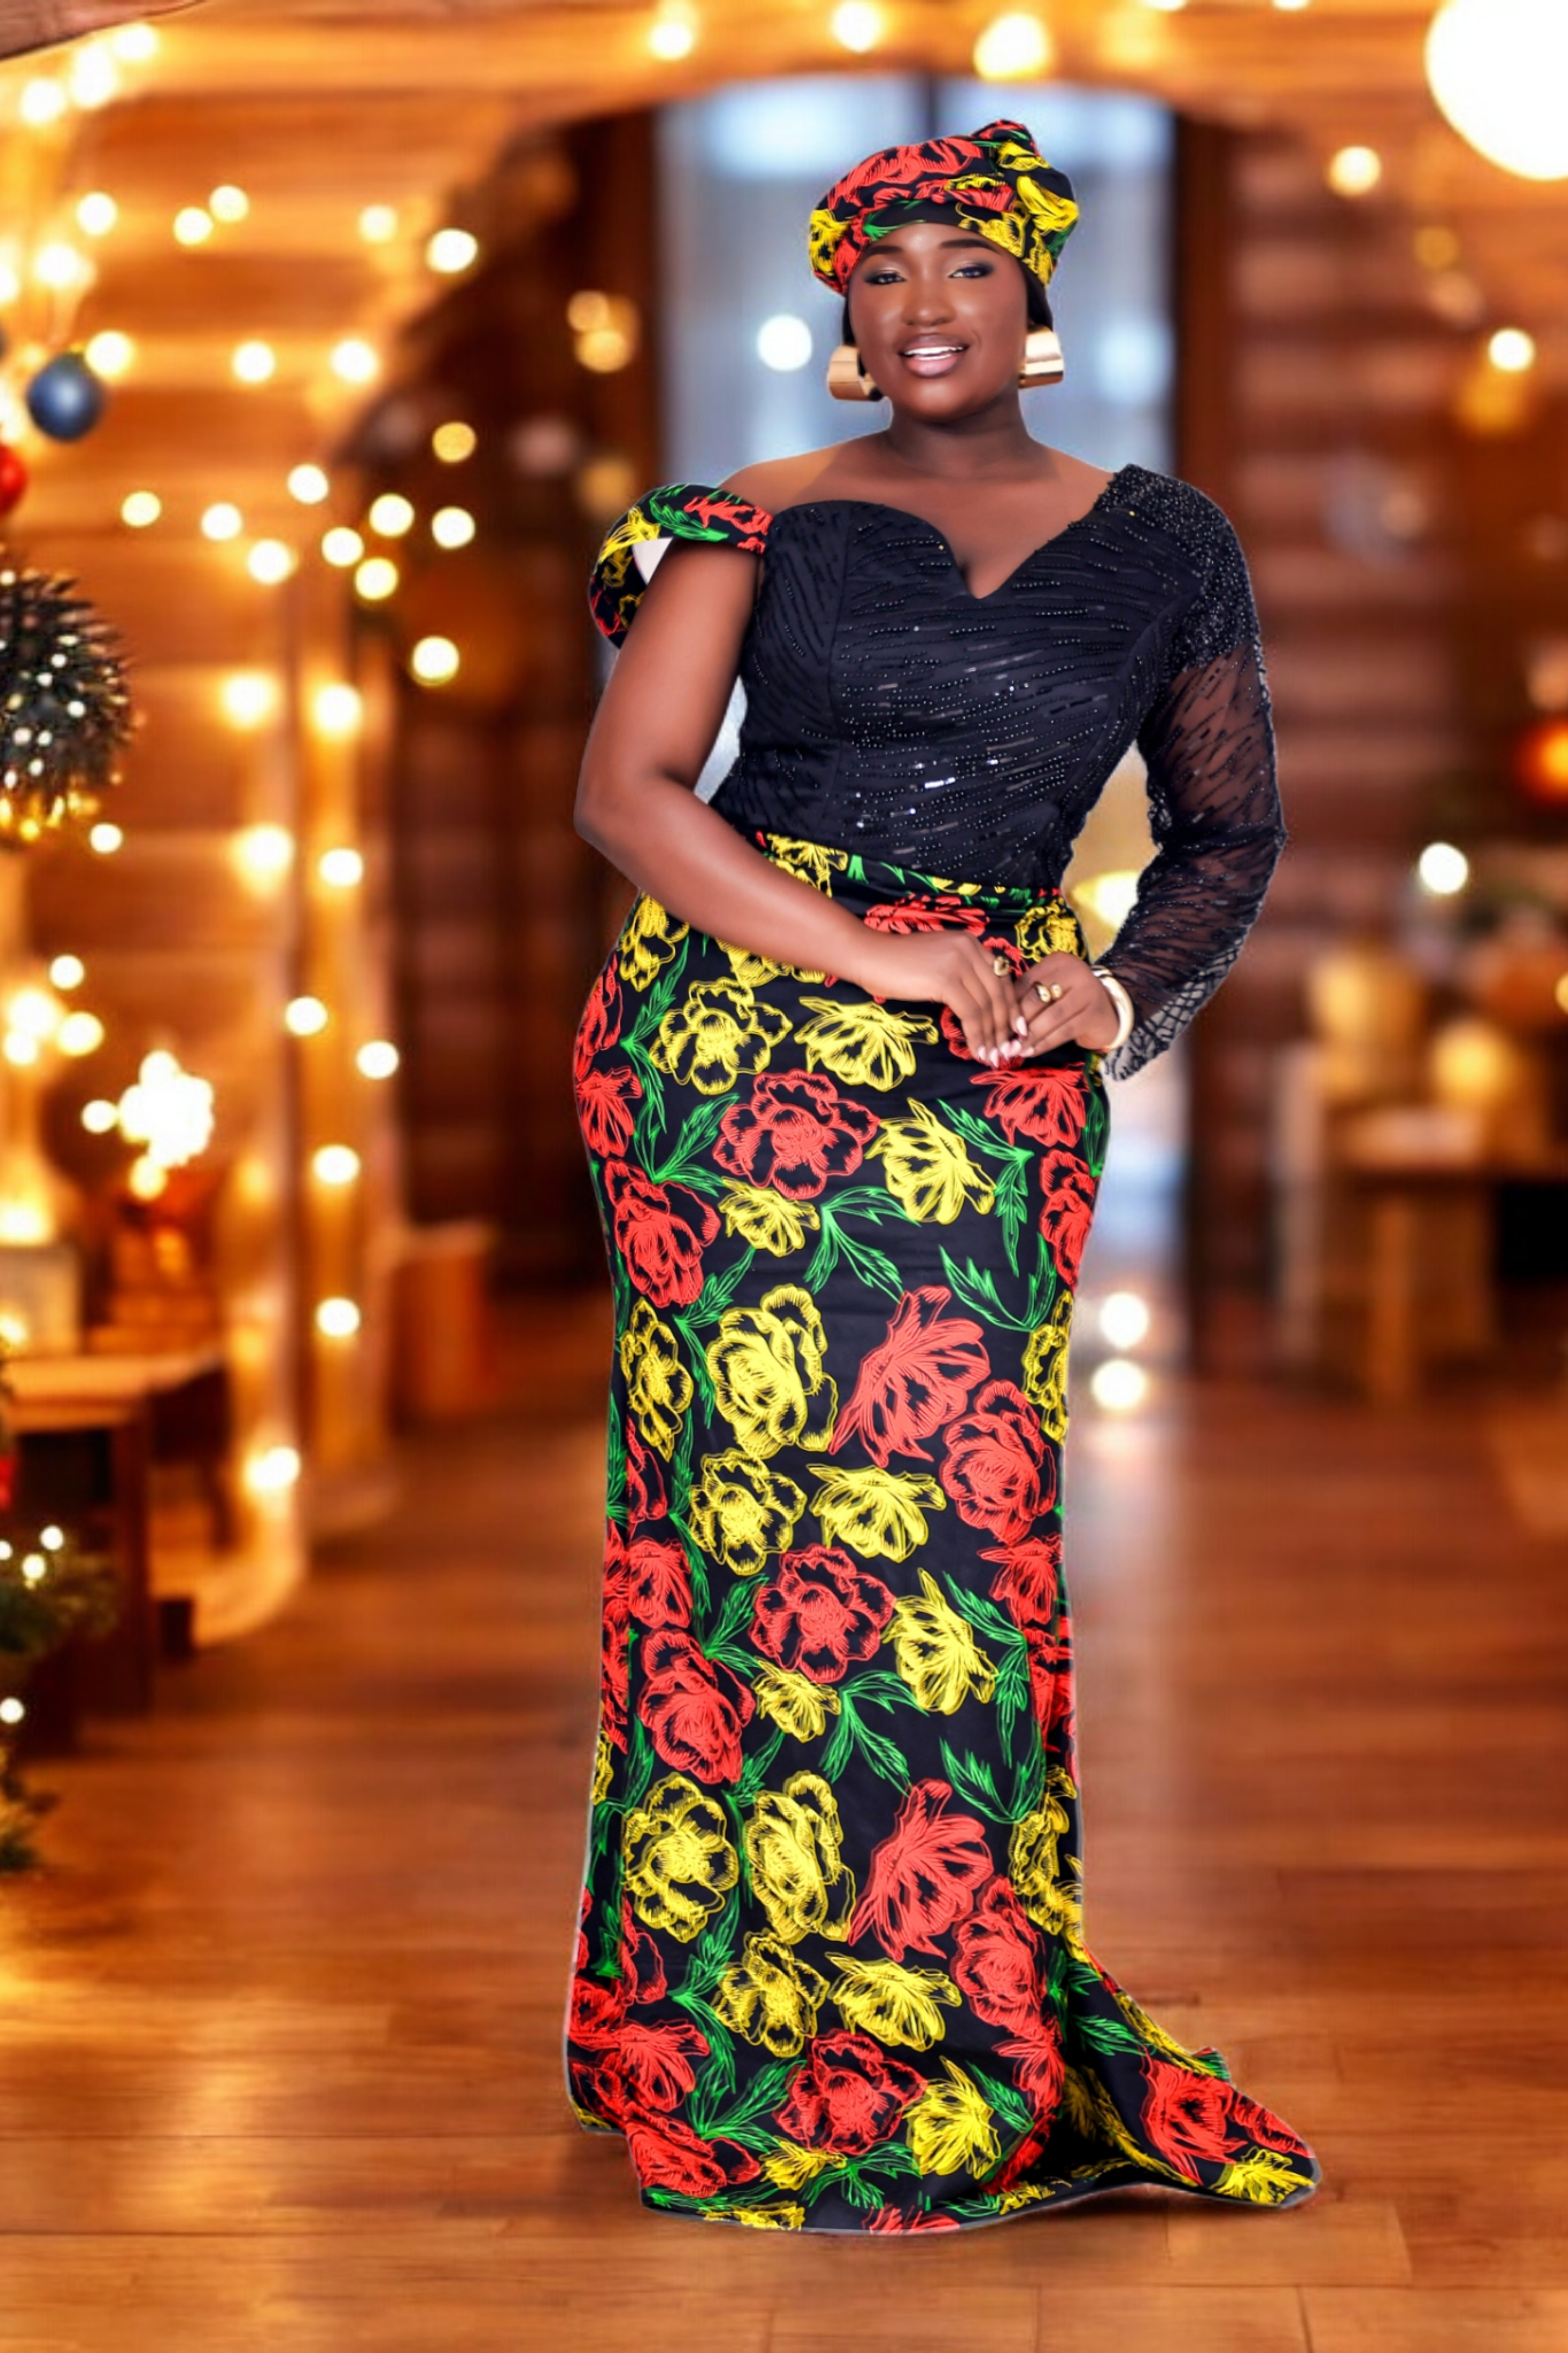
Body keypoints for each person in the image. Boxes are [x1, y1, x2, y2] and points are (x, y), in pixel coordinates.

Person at [563, 118, 1316, 2232]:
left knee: (955, 1556)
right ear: (838, 306)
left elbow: (1231, 834)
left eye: (967, 267)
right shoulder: (745, 520)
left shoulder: (1168, 545)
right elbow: (632, 793)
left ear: (1034, 299)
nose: (923, 308)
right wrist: (871, 954)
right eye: (881, 272)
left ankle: (952, 2009)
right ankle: (717, 2020)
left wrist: (1113, 992)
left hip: (994, 1078)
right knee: (738, 1540)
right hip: (729, 1058)